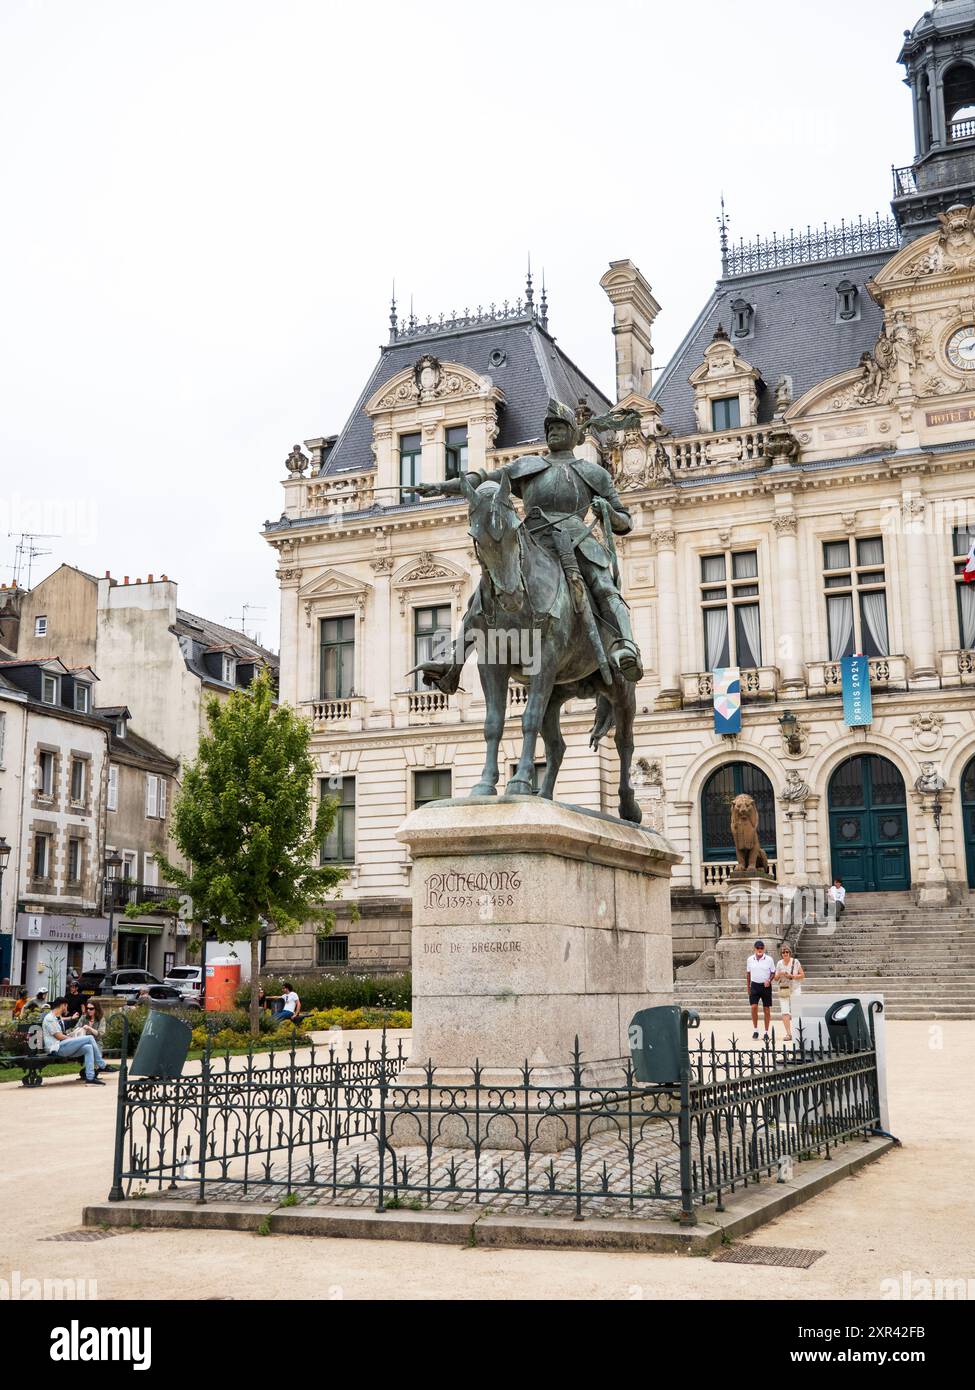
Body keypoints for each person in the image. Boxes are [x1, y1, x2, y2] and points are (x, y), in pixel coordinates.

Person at [413, 399, 644, 687]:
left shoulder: (594, 473)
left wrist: (606, 511)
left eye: (560, 427)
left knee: (604, 587)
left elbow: (625, 520)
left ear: (574, 433)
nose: (554, 432)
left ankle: (626, 647)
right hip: (531, 542)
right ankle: (453, 663)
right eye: (550, 428)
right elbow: (484, 478)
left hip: (576, 542)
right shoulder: (528, 466)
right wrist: (440, 487)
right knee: (483, 595)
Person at [41, 998, 114, 1084]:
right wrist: (72, 1039)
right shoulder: (50, 1018)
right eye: (66, 1006)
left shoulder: (56, 1017)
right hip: (55, 1048)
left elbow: (62, 1034)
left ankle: (90, 1078)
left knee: (88, 1047)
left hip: (62, 1046)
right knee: (90, 1038)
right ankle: (102, 1065)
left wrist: (71, 1036)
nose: (67, 1008)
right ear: (62, 1005)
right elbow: (59, 1036)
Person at [774, 944, 806, 1043]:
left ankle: (798, 1032)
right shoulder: (779, 963)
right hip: (784, 988)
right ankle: (788, 1033)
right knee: (785, 1011)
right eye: (783, 952)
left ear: (790, 953)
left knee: (797, 1010)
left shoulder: (795, 962)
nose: (785, 954)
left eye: (787, 952)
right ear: (781, 954)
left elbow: (802, 975)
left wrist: (792, 976)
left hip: (795, 988)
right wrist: (780, 974)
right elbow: (775, 979)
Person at [746, 940, 776, 1042]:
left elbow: (773, 972)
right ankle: (755, 1030)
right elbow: (748, 974)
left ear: (764, 949)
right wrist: (748, 987)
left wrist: (769, 980)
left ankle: (766, 1032)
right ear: (754, 949)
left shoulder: (769, 959)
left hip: (765, 986)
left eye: (761, 948)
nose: (759, 950)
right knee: (754, 1007)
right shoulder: (750, 959)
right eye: (758, 948)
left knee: (766, 1009)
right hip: (754, 985)